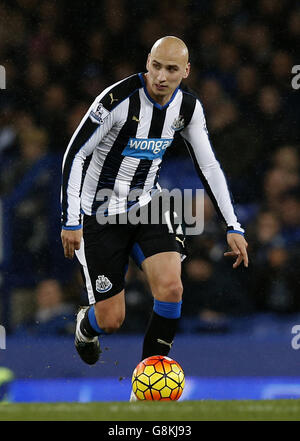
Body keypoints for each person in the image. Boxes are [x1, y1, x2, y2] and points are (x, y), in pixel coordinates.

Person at [60, 36, 248, 399]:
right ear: (148, 62)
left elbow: (208, 164)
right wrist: (71, 220)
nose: (161, 76)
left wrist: (232, 224)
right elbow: (75, 156)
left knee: (172, 289)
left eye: (172, 69)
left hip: (149, 206)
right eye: (156, 66)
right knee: (112, 320)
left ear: (186, 71)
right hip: (99, 214)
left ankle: (143, 391)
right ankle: (87, 325)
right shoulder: (117, 100)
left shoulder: (188, 108)